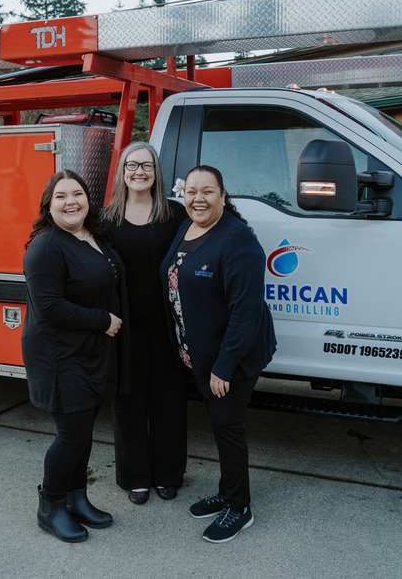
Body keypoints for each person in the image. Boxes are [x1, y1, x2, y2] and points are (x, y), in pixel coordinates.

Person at [161, 165, 276, 544]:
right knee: (219, 424)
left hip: (232, 357)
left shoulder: (238, 241)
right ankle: (228, 492)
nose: (198, 198)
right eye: (191, 191)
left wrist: (223, 367)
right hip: (202, 353)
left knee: (228, 427)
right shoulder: (189, 227)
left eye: (208, 191)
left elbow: (246, 312)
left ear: (223, 196)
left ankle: (239, 507)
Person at [22, 169, 129, 543]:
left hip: (89, 351)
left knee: (82, 432)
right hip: (58, 356)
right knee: (71, 435)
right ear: (49, 206)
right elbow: (49, 305)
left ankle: (77, 498)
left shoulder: (92, 235)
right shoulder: (46, 246)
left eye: (78, 194)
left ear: (88, 199)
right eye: (62, 197)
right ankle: (50, 506)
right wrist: (104, 321)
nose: (71, 202)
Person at [103, 141, 188, 505]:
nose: (140, 172)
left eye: (147, 165)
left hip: (169, 326)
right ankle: (135, 477)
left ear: (157, 172)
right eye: (132, 165)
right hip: (125, 328)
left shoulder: (176, 214)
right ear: (123, 172)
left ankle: (169, 474)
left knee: (170, 401)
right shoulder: (106, 219)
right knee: (129, 403)